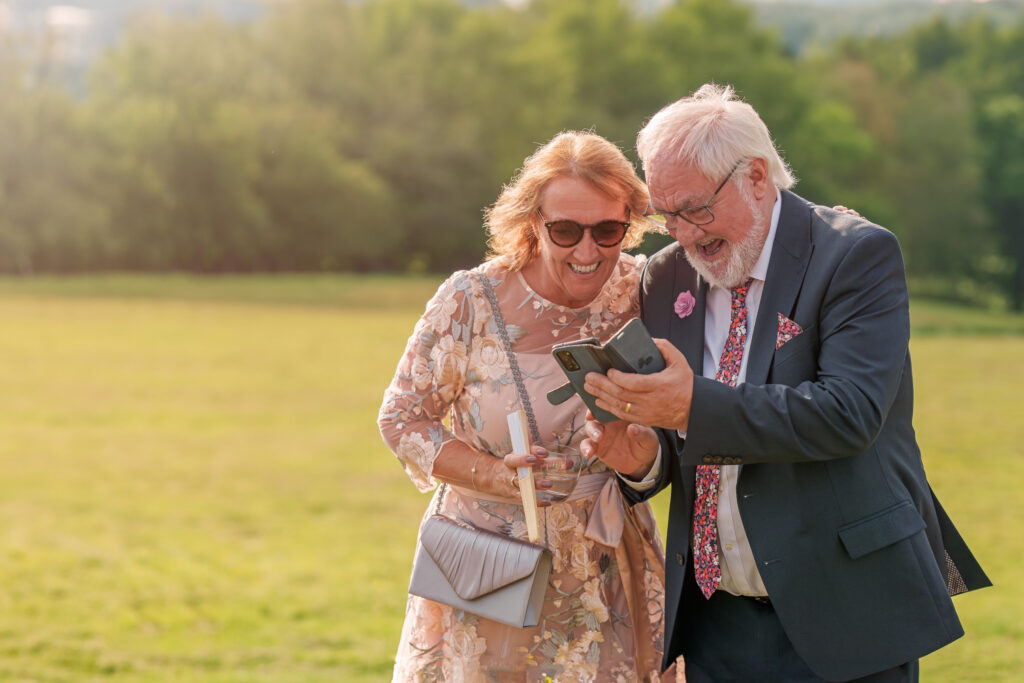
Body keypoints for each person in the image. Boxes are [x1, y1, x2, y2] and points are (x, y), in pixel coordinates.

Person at [582, 84, 991, 682]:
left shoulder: (856, 255)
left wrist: (692, 405)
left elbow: (848, 413)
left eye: (695, 208)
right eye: (666, 214)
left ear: (754, 175)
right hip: (715, 620)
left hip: (846, 611)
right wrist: (641, 457)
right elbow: (680, 439)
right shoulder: (665, 277)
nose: (686, 234)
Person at [378, 131, 668, 682]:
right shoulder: (470, 300)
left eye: (608, 231)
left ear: (630, 222)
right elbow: (401, 418)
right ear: (533, 220)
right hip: (488, 565)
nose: (588, 253)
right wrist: (496, 475)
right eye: (565, 230)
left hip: (608, 565)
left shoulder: (646, 290)